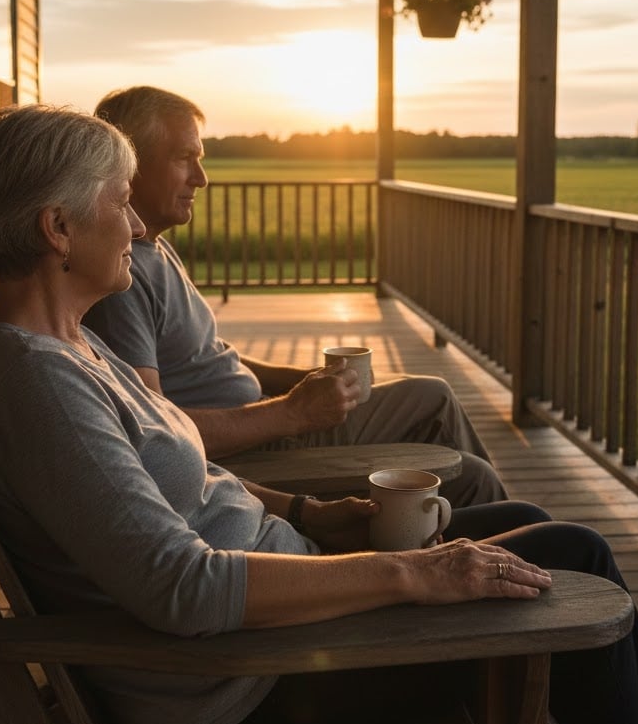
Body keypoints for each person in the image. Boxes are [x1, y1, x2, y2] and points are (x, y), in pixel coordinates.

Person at [0, 104, 638, 724]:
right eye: (119, 202)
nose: (137, 223)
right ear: (58, 228)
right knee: (573, 556)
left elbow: (189, 477)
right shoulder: (37, 386)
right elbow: (183, 589)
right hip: (241, 693)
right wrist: (408, 574)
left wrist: (313, 513)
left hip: (282, 621)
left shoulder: (69, 342)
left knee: (530, 522)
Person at [83, 85, 506, 508]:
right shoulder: (123, 279)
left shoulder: (152, 247)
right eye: (184, 159)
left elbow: (201, 359)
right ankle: (508, 559)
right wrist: (294, 412)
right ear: (129, 163)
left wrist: (299, 382)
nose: (201, 178)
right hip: (253, 452)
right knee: (471, 472)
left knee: (433, 394)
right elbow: (156, 430)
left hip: (264, 418)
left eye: (201, 160)